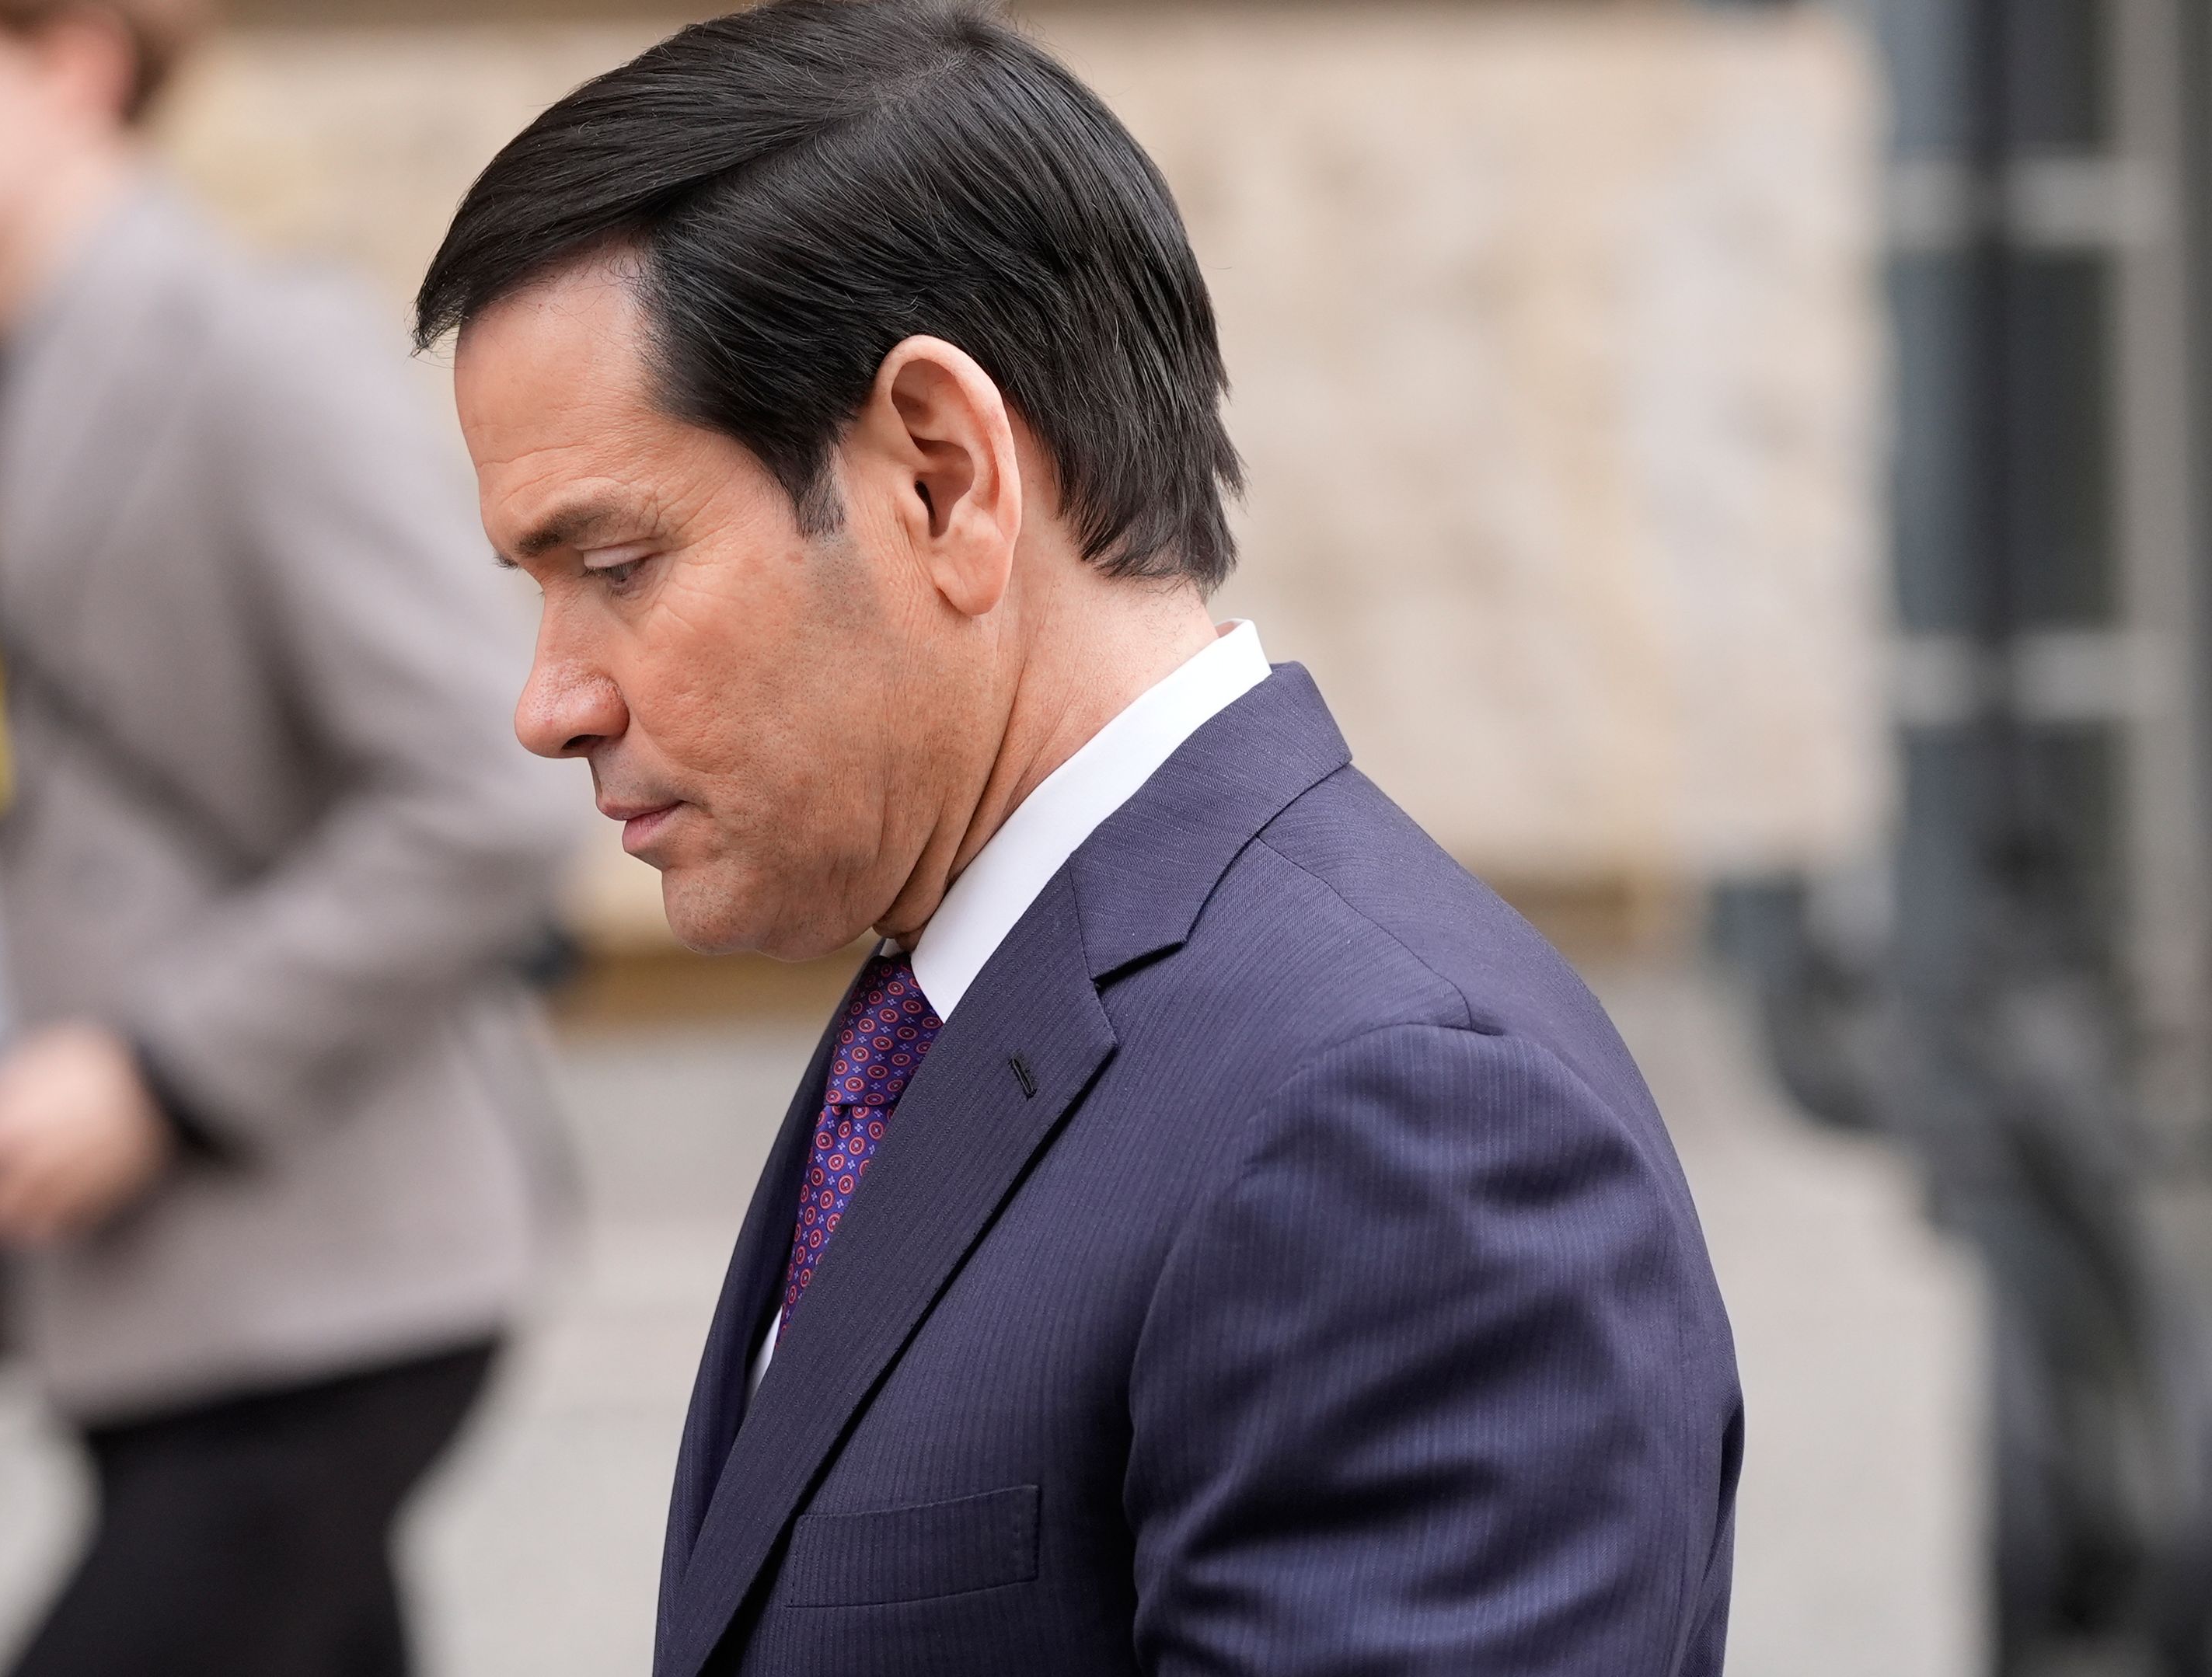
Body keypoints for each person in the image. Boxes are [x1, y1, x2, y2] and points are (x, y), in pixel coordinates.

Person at [413, 3, 1743, 1674]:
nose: (550, 704)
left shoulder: (1398, 1115)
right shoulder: (966, 998)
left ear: (944, 476)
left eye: (615, 567)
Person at [0, 0, 581, 1672]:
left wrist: (158, 1072)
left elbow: (492, 788)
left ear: (76, 64)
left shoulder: (246, 357)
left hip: (329, 1278)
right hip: (142, 1294)